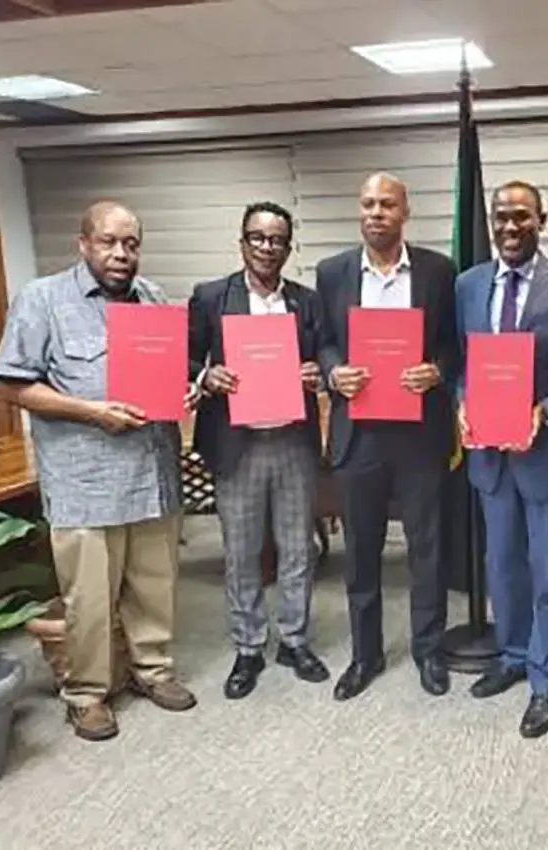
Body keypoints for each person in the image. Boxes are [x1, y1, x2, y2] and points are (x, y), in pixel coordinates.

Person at [0, 201, 196, 741]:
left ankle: (154, 671)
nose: (121, 254)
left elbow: (166, 372)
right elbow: (13, 384)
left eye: (130, 243)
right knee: (90, 596)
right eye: (108, 242)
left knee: (154, 584)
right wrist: (92, 411)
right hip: (86, 480)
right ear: (84, 244)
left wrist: (185, 388)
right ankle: (87, 694)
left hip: (152, 474)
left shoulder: (151, 297)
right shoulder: (43, 300)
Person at [316, 172, 459, 700]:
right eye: (368, 203)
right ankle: (365, 654)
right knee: (361, 551)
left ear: (405, 212)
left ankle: (428, 650)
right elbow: (324, 340)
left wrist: (437, 371)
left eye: (387, 204)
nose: (376, 212)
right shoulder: (332, 272)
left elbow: (451, 343)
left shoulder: (437, 271)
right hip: (360, 434)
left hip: (419, 431)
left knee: (427, 547)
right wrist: (334, 373)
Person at [456, 180, 548, 739]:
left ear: (542, 219)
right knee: (502, 565)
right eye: (501, 217)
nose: (510, 227)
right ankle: (512, 654)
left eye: (521, 217)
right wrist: (461, 402)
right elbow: (463, 361)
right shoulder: (469, 285)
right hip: (489, 454)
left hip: (543, 452)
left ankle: (546, 677)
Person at [187, 201, 331, 700]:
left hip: (293, 439)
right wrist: (207, 378)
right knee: (242, 551)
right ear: (242, 241)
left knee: (298, 548)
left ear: (288, 249)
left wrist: (318, 374)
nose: (267, 247)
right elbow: (186, 363)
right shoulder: (210, 298)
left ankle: (294, 640)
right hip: (237, 445)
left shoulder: (306, 301)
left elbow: (326, 355)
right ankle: (248, 647)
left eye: (277, 240)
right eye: (258, 238)